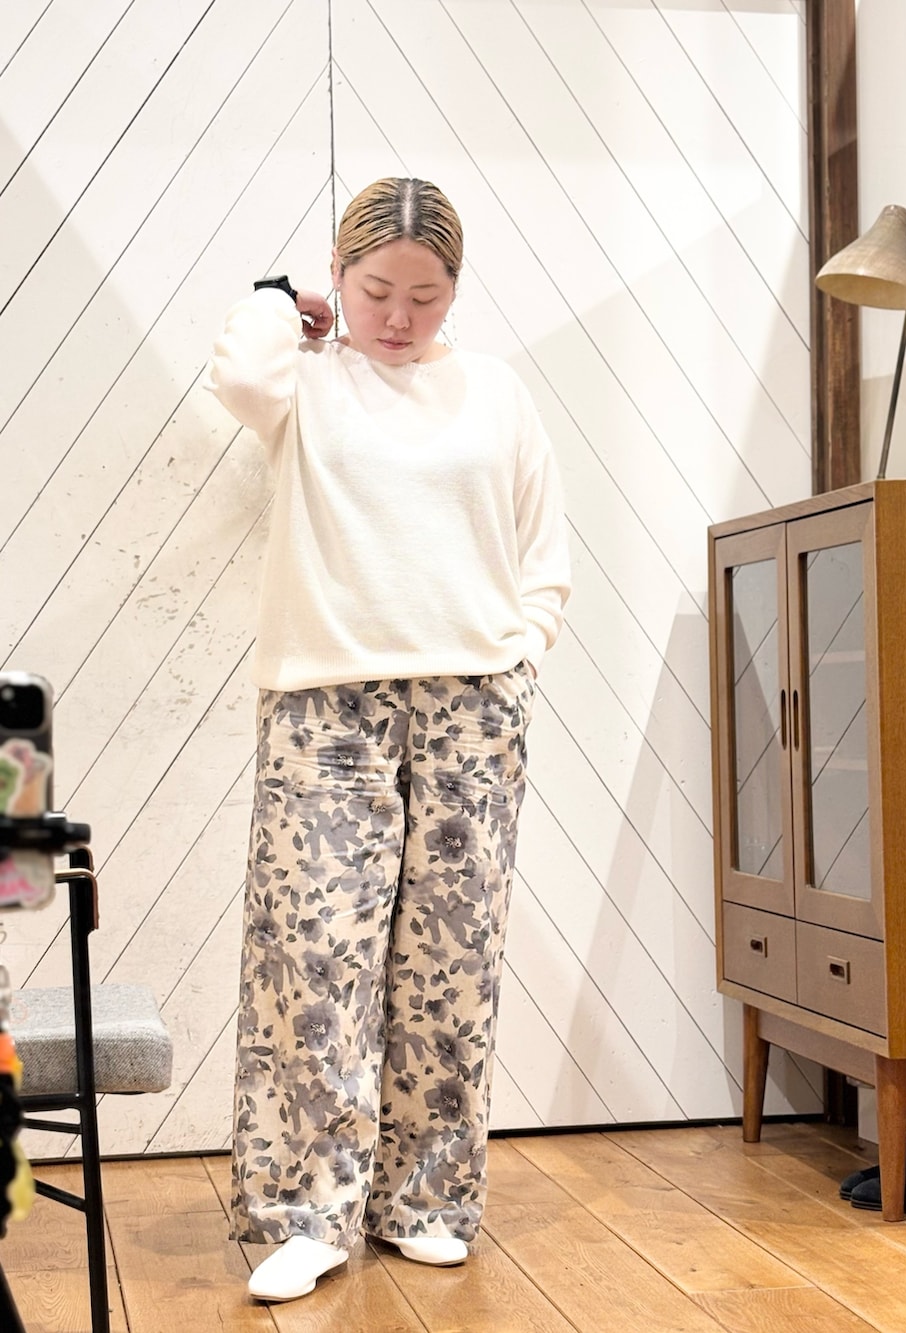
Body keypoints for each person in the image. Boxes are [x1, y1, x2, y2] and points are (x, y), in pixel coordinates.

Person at [206, 176, 571, 1304]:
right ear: (339, 275)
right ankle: (304, 1211)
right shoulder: (307, 383)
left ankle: (426, 1199)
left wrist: (521, 656)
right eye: (375, 292)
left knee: (450, 960)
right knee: (314, 960)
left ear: (456, 289)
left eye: (425, 294)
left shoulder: (495, 393)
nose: (399, 317)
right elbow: (239, 374)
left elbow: (542, 546)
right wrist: (286, 301)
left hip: (472, 702)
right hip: (326, 704)